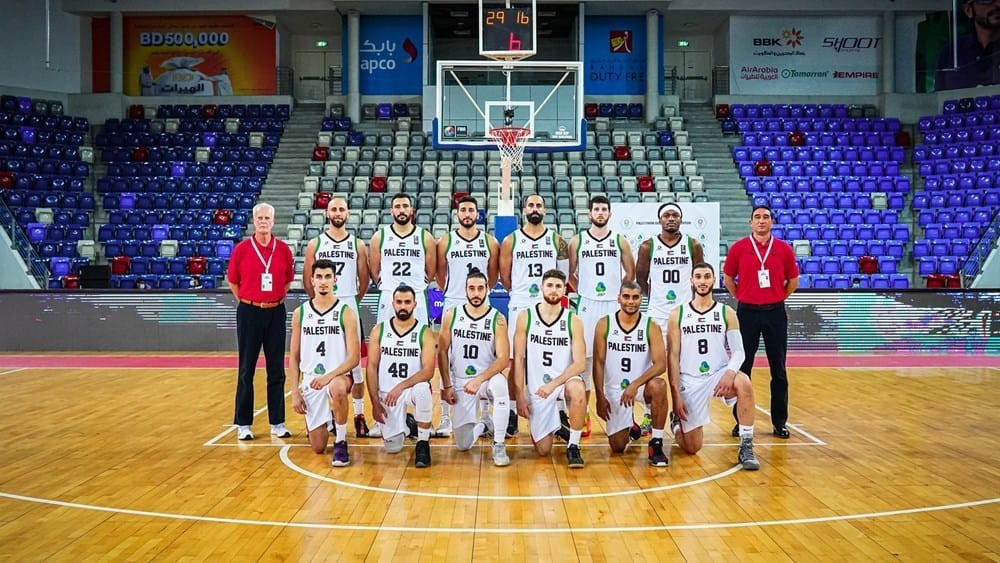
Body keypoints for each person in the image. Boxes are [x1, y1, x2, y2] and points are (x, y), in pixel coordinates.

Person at [667, 262, 760, 471]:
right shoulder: (677, 314)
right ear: (691, 281)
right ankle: (676, 425)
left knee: (744, 382)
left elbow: (739, 351)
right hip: (690, 379)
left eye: (707, 276)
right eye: (698, 277)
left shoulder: (726, 312)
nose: (702, 281)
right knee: (692, 447)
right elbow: (672, 357)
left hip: (718, 374)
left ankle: (746, 445)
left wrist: (729, 373)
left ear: (714, 280)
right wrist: (676, 394)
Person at [722, 205, 799, 439]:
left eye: (766, 217)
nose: (761, 221)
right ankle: (740, 422)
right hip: (747, 314)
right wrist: (744, 297)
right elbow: (728, 279)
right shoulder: (739, 248)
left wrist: (776, 297)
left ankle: (779, 423)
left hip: (775, 313)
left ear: (772, 222)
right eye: (757, 217)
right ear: (751, 222)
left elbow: (793, 281)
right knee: (743, 368)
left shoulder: (783, 249)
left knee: (779, 370)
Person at [499, 194, 569, 439]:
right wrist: (520, 293)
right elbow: (505, 276)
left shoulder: (557, 240)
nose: (535, 208)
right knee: (515, 360)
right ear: (524, 210)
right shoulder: (511, 240)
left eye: (539, 205)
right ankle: (511, 411)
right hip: (520, 304)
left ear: (545, 210)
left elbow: (563, 276)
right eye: (531, 205)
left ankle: (558, 412)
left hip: (549, 305)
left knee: (556, 359)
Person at [303, 197, 373, 438]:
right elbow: (308, 279)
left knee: (357, 367)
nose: (337, 212)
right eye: (333, 209)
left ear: (348, 213)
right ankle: (326, 415)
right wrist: (321, 302)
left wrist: (351, 300)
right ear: (327, 213)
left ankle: (359, 415)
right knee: (324, 361)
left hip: (348, 303)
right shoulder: (315, 244)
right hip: (324, 308)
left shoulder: (357, 244)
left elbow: (364, 279)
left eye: (341, 209)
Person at [569, 195, 635, 437]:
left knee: (616, 359)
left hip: (612, 304)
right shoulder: (577, 240)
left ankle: (625, 415)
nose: (599, 212)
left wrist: (617, 294)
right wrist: (584, 291)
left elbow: (630, 272)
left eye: (603, 209)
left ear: (610, 213)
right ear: (589, 213)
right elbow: (570, 273)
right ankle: (583, 413)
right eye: (596, 209)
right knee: (585, 360)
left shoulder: (620, 240)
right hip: (587, 304)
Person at [227, 202, 295, 441]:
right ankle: (243, 424)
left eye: (267, 218)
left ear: (273, 221)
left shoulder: (283, 250)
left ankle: (278, 422)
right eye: (260, 218)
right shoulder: (242, 250)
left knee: (276, 369)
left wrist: (273, 299)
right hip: (249, 312)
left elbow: (288, 280)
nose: (263, 222)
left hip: (276, 311)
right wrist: (249, 301)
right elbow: (233, 281)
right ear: (254, 221)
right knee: (246, 369)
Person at [634, 202, 703, 433]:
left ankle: (678, 412)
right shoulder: (648, 246)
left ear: (680, 219)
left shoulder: (692, 245)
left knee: (684, 368)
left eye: (675, 215)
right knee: (650, 367)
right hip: (657, 315)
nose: (671, 218)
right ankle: (648, 414)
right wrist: (656, 298)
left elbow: (699, 275)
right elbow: (641, 278)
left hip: (684, 315)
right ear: (660, 220)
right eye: (666, 215)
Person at [435, 195, 500, 437]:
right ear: (457, 214)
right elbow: (440, 274)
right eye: (463, 210)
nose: (467, 214)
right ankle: (444, 417)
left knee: (486, 358)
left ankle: (485, 417)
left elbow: (492, 276)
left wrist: (480, 293)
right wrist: (454, 292)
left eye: (471, 210)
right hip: (454, 301)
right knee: (447, 358)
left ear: (477, 214)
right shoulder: (446, 240)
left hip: (481, 303)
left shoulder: (489, 241)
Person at [289, 259, 361, 466]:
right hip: (311, 380)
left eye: (328, 276)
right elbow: (293, 357)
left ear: (335, 280)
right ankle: (330, 417)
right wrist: (295, 392)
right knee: (318, 448)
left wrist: (328, 377)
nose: (323, 281)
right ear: (311, 280)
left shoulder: (346, 312)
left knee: (337, 388)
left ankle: (341, 441)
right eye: (319, 277)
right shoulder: (301, 313)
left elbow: (354, 358)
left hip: (337, 376)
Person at [512, 269, 587, 468]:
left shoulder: (573, 320)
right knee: (543, 451)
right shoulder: (526, 316)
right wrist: (519, 395)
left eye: (558, 286)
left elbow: (580, 363)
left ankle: (573, 445)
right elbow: (518, 358)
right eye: (550, 285)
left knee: (578, 389)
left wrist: (553, 385)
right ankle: (556, 425)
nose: (554, 290)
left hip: (563, 382)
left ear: (564, 290)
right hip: (538, 388)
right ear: (541, 287)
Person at [437, 268, 511, 466]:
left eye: (480, 288)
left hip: (486, 379)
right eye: (472, 288)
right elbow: (442, 352)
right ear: (465, 290)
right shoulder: (452, 315)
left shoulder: (497, 318)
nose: (476, 293)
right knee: (463, 444)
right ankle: (484, 425)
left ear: (487, 289)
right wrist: (447, 386)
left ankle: (499, 444)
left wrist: (479, 380)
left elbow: (503, 359)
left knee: (500, 385)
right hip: (461, 381)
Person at [592, 282, 670, 466]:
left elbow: (661, 364)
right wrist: (600, 396)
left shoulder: (651, 325)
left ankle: (656, 443)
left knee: (659, 385)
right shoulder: (604, 324)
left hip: (641, 386)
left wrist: (634, 385)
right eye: (626, 296)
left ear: (641, 299)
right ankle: (631, 425)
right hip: (615, 389)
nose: (631, 301)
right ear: (619, 298)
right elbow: (598, 363)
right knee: (618, 447)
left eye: (635, 297)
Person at [365, 285, 436, 467]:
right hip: (387, 394)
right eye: (399, 302)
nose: (403, 306)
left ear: (415, 304)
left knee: (423, 390)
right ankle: (409, 423)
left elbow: (428, 371)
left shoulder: (425, 332)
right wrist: (374, 403)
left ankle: (423, 443)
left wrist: (401, 386)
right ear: (393, 304)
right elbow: (371, 368)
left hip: (410, 389)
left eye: (407, 302)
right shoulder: (379, 330)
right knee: (393, 448)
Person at [369, 193, 437, 325]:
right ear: (391, 211)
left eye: (405, 206)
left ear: (411, 210)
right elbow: (374, 271)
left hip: (416, 294)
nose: (401, 210)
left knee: (419, 336)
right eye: (397, 207)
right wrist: (387, 285)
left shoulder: (425, 237)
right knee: (385, 335)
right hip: (389, 295)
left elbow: (431, 271)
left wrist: (417, 284)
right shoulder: (379, 237)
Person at [935, 0, 1000, 91]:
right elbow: (939, 96)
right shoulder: (952, 51)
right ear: (968, 10)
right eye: (987, 0)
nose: (998, 4)